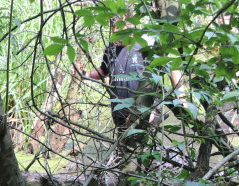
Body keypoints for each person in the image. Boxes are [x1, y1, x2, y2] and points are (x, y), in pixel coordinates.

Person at [78, 12, 184, 157]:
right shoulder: (111, 48)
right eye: (112, 26)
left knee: (140, 152)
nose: (115, 30)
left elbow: (173, 66)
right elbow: (104, 71)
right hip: (120, 111)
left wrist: (181, 97)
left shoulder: (148, 43)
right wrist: (86, 75)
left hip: (146, 110)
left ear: (131, 25)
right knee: (124, 154)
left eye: (118, 26)